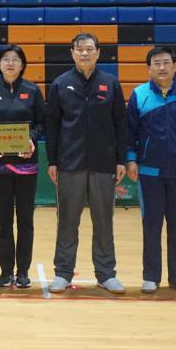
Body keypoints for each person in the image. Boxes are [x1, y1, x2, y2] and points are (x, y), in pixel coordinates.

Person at [46, 33, 128, 295]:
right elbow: (52, 125)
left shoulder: (110, 83)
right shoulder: (60, 83)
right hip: (69, 164)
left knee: (104, 221)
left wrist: (120, 159)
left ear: (98, 53)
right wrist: (52, 160)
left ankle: (106, 274)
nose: (84, 53)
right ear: (72, 53)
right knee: (67, 221)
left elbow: (120, 123)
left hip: (104, 163)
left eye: (89, 49)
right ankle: (63, 272)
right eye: (79, 49)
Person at [125, 46, 176, 295]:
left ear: (174, 66)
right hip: (149, 172)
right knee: (151, 225)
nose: (161, 67)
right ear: (149, 69)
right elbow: (129, 132)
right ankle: (150, 277)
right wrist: (131, 159)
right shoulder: (139, 95)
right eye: (156, 63)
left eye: (165, 62)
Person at [0, 44, 45, 289]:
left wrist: (32, 139)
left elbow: (41, 122)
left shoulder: (33, 90)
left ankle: (23, 271)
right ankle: (6, 271)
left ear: (22, 64)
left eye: (15, 59)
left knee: (25, 219)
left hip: (26, 164)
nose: (10, 63)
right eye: (5, 59)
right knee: (3, 220)